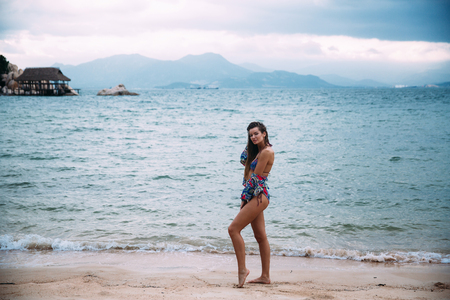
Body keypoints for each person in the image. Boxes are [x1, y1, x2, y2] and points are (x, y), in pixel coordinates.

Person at [228, 121, 274, 288]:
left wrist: (244, 199)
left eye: (256, 133)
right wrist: (252, 145)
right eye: (250, 135)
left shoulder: (266, 152)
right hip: (255, 195)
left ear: (264, 133)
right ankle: (265, 276)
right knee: (260, 237)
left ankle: (242, 270)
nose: (253, 137)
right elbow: (242, 159)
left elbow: (256, 179)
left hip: (258, 196)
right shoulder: (258, 151)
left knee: (233, 229)